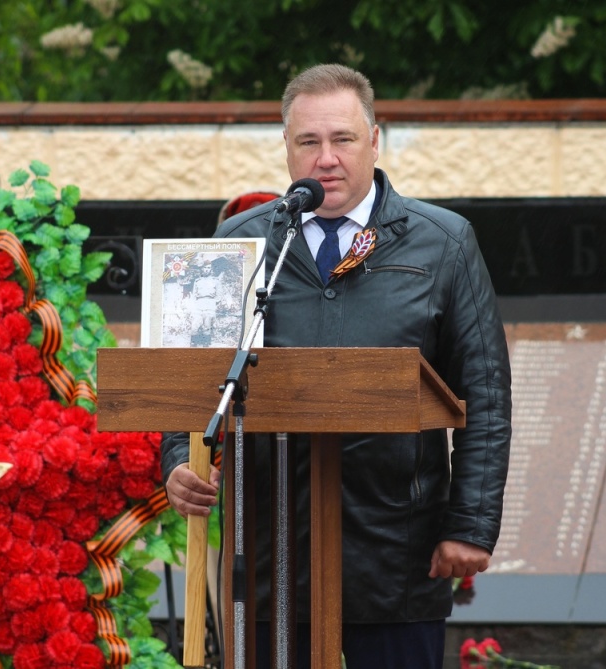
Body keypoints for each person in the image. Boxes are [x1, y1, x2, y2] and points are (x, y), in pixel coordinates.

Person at [161, 64, 511, 669]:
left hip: (397, 555)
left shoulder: (444, 242)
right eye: (309, 142)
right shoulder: (238, 243)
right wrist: (178, 461)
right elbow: (192, 382)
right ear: (287, 148)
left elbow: (485, 394)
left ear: (375, 141)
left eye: (343, 139)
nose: (327, 158)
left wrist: (471, 525)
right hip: (270, 555)